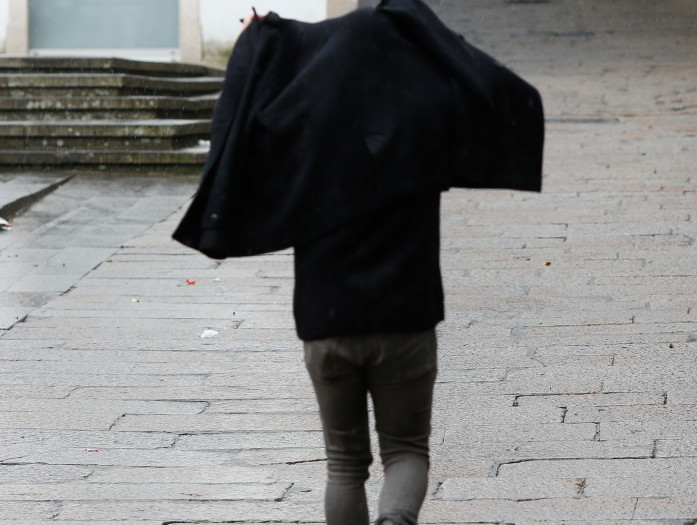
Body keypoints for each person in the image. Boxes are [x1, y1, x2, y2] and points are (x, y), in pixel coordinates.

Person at [173, 2, 543, 523]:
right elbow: (464, 74)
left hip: (327, 326)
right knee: (406, 452)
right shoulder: (426, 123)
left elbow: (256, 106)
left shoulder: (304, 134)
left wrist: (255, 43)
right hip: (406, 323)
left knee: (344, 466)